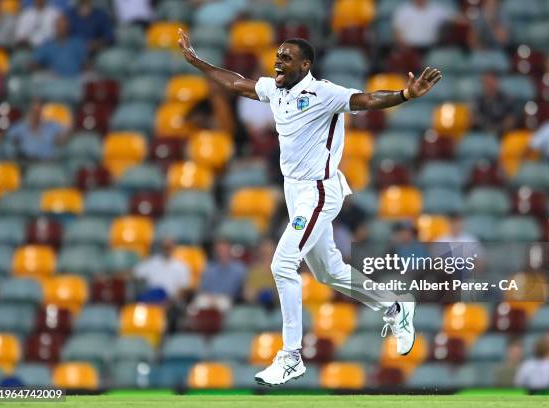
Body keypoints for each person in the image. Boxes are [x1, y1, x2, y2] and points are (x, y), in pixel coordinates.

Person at [178, 29, 442, 386]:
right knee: (328, 272)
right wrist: (196, 62)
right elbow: (237, 83)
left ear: (305, 64)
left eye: (286, 58)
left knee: (282, 263)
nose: (278, 61)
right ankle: (395, 307)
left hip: (319, 190)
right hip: (294, 191)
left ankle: (291, 356)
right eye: (277, 56)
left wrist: (405, 94)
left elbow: (365, 100)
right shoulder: (274, 89)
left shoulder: (323, 92)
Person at [3, 99, 68, 160]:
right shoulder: (20, 127)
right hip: (26, 163)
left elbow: (64, 135)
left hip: (46, 163)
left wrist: (59, 139)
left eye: (38, 111)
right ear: (29, 111)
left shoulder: (51, 126)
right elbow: (8, 137)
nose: (36, 114)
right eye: (34, 111)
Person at [194, 240, 247, 311]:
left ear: (230, 251)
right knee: (198, 302)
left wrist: (229, 297)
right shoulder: (210, 267)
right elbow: (203, 287)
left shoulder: (239, 268)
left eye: (224, 250)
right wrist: (211, 297)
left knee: (224, 304)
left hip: (228, 298)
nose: (222, 253)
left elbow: (240, 289)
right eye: (219, 250)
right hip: (210, 297)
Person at [132, 238, 190, 303]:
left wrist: (171, 300)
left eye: (169, 247)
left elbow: (183, 289)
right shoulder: (151, 263)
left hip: (170, 302)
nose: (167, 249)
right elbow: (135, 273)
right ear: (161, 247)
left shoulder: (181, 267)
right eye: (165, 247)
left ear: (174, 248)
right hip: (152, 299)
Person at [473, 72, 516, 136]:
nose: (489, 85)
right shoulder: (478, 100)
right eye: (486, 83)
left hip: (502, 134)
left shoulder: (506, 99)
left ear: (496, 82)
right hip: (482, 134)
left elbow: (510, 120)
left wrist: (498, 129)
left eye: (491, 82)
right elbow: (474, 119)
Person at [243, 238, 278, 307]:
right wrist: (259, 293)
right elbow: (247, 294)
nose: (267, 253)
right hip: (256, 307)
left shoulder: (283, 270)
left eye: (270, 251)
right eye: (265, 251)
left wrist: (273, 295)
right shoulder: (254, 270)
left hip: (278, 308)